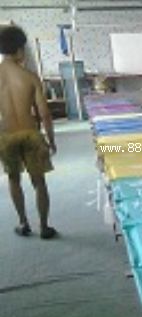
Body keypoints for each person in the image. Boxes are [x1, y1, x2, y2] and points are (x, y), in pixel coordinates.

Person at [0, 25, 57, 239]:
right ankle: (44, 227)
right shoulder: (30, 77)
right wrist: (51, 139)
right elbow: (45, 114)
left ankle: (23, 223)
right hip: (30, 134)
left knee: (14, 179)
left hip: (6, 136)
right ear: (19, 49)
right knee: (39, 181)